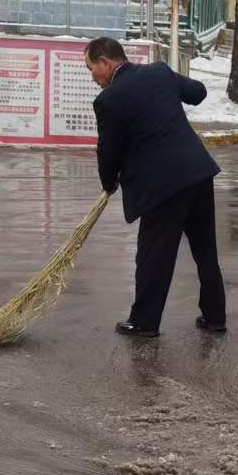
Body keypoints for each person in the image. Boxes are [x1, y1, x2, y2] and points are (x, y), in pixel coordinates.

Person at [86, 36, 226, 338]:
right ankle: (215, 317)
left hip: (163, 188)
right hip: (198, 173)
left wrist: (108, 183)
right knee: (206, 251)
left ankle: (145, 322)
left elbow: (108, 151)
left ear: (105, 62)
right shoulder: (159, 72)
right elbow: (198, 93)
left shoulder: (109, 100)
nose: (93, 77)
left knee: (153, 256)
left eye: (91, 69)